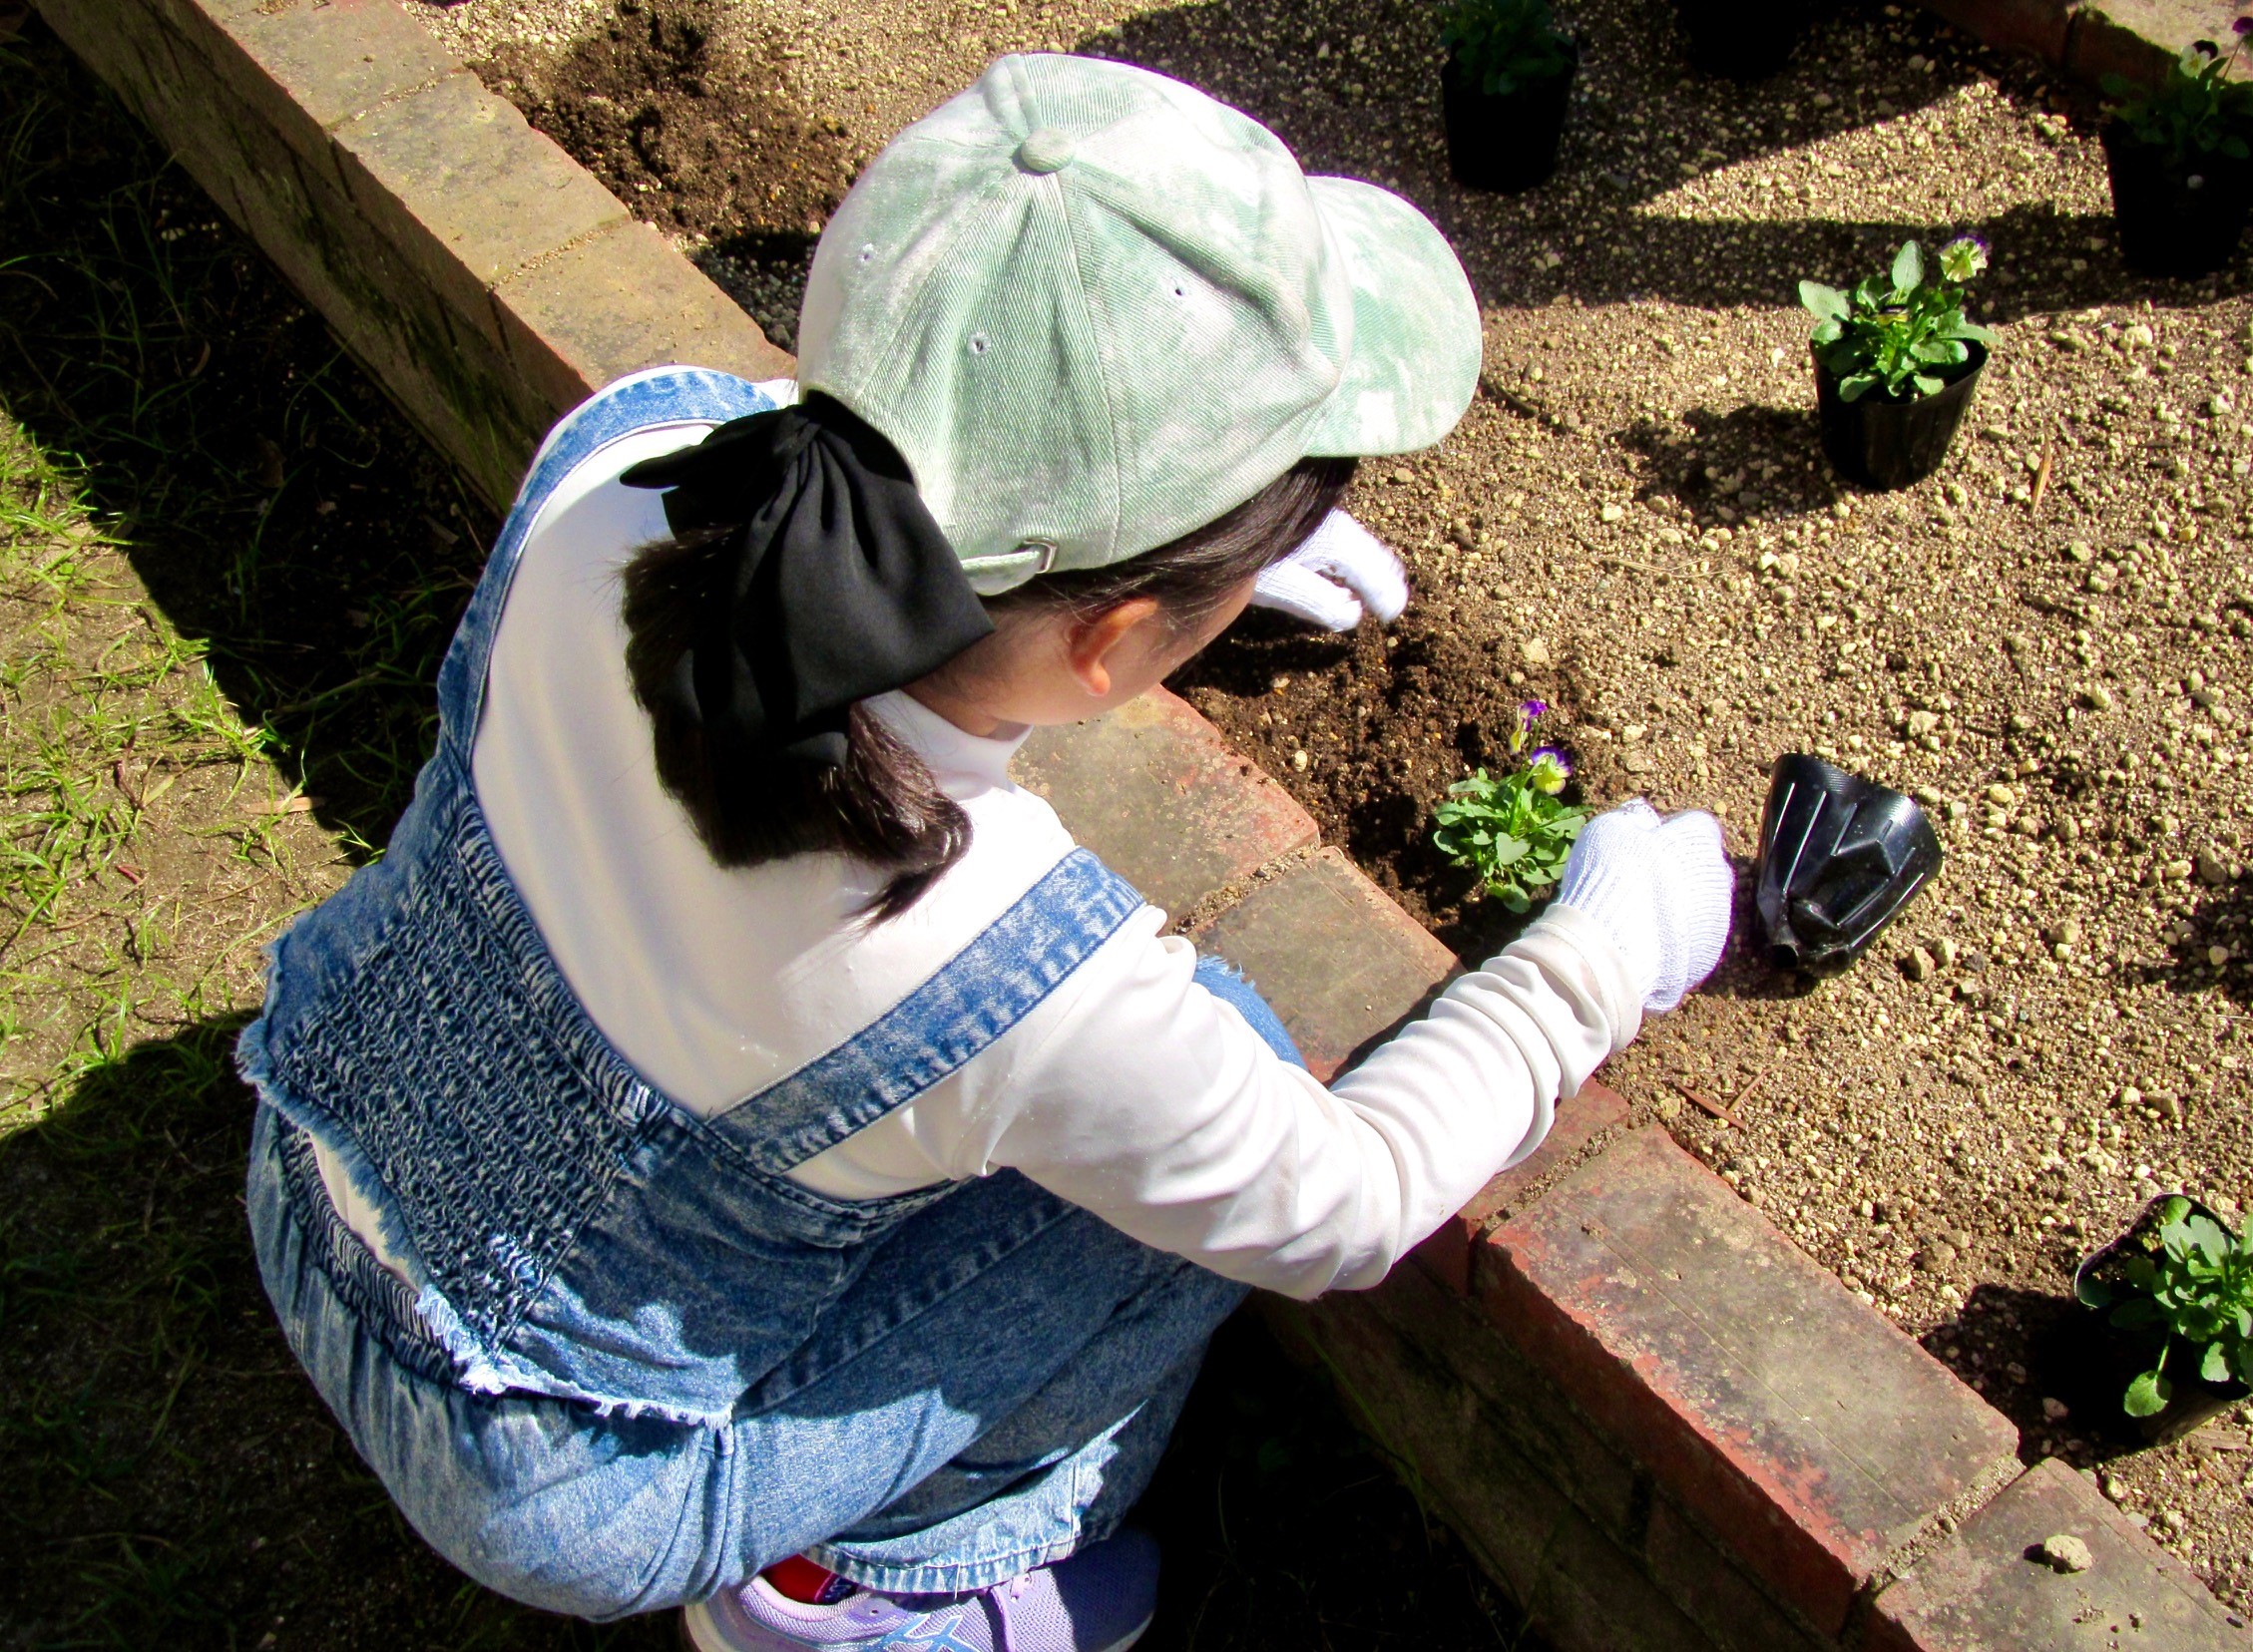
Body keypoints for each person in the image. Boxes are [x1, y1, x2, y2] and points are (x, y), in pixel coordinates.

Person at [238, 52, 1734, 1652]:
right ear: (1114, 640)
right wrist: (1600, 956)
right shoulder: (1013, 966)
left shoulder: (627, 462)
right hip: (566, 1480)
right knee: (1205, 1089)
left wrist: (1191, 575)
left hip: (308, 1158)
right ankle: (877, 1594)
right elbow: (1342, 1205)